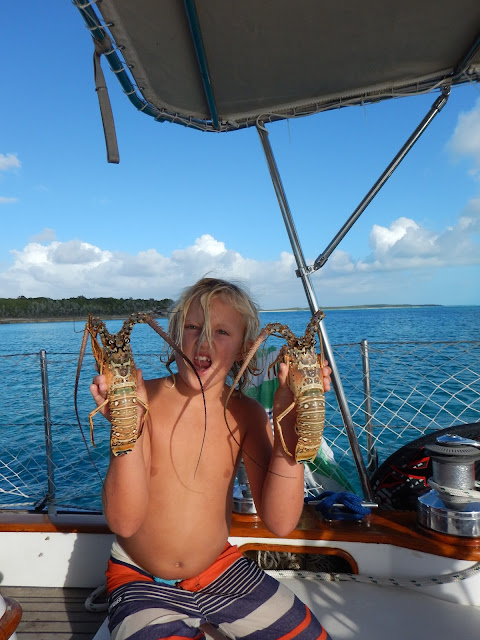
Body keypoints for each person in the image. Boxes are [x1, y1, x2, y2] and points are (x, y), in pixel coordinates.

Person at [91, 277, 333, 640]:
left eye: (221, 331)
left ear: (244, 349)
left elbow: (281, 522)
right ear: (173, 335)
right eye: (192, 327)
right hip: (139, 578)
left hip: (220, 569)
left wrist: (290, 435)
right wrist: (128, 427)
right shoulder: (145, 401)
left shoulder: (247, 414)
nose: (203, 341)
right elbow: (123, 522)